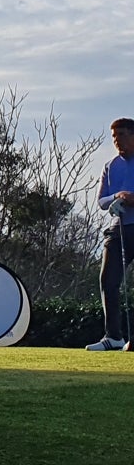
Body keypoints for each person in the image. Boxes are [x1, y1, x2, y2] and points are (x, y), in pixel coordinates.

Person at [86, 118, 134, 352]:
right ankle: (113, 337)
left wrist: (129, 197)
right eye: (114, 136)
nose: (117, 140)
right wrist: (117, 198)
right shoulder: (110, 165)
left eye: (122, 135)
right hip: (119, 228)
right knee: (108, 280)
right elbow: (102, 200)